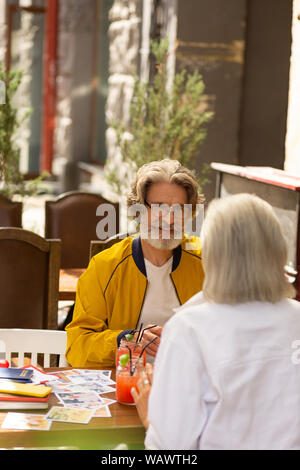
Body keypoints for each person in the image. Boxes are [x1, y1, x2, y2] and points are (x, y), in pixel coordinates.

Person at [132, 193, 300, 450]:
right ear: (278, 251)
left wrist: (149, 419)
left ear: (211, 254)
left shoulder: (190, 329)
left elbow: (170, 449)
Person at [65, 159, 205, 367]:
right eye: (158, 207)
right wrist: (127, 339)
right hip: (123, 387)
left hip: (190, 386)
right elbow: (77, 347)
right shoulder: (105, 266)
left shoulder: (208, 262)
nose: (169, 219)